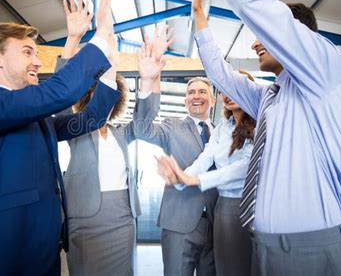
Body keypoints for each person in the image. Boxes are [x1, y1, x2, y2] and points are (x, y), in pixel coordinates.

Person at [194, 0, 341, 275]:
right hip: (266, 246)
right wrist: (200, 22)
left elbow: (261, 10)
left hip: (310, 248)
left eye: (264, 34)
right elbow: (221, 75)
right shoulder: (272, 96)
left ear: (294, 37)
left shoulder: (329, 71)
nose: (256, 42)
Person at [0, 0, 120, 275]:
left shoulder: (37, 117)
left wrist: (103, 55)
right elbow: (55, 94)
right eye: (28, 52)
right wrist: (98, 37)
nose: (37, 61)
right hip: (4, 253)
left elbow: (90, 120)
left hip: (47, 250)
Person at [56, 20, 173, 275]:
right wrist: (71, 41)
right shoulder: (76, 129)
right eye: (100, 97)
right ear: (89, 98)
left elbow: (144, 118)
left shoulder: (122, 133)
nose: (106, 103)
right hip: (84, 216)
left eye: (111, 98)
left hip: (122, 218)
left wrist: (148, 80)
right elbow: (59, 98)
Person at [133, 28, 218, 276]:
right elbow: (142, 130)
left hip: (215, 225)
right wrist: (148, 81)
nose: (196, 96)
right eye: (191, 92)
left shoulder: (223, 133)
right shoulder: (172, 127)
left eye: (202, 92)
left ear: (212, 99)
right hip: (179, 223)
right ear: (185, 100)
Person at [157, 71, 256, 276]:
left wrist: (194, 179)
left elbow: (245, 167)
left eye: (234, 87)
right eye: (224, 89)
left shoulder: (262, 124)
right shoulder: (221, 129)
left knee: (243, 268)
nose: (228, 94)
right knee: (225, 268)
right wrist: (180, 179)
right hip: (221, 211)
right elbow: (204, 159)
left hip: (249, 208)